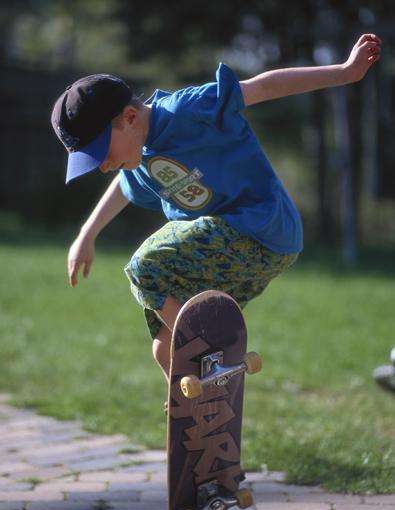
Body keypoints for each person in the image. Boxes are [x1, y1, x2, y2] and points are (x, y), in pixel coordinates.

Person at [51, 33, 382, 380]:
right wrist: (86, 235)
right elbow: (122, 188)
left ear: (131, 118)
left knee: (145, 267)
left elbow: (264, 87)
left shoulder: (188, 110)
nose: (103, 165)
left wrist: (345, 72)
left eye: (102, 152)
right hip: (239, 253)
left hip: (261, 226)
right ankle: (198, 394)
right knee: (164, 344)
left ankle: (204, 349)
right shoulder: (139, 158)